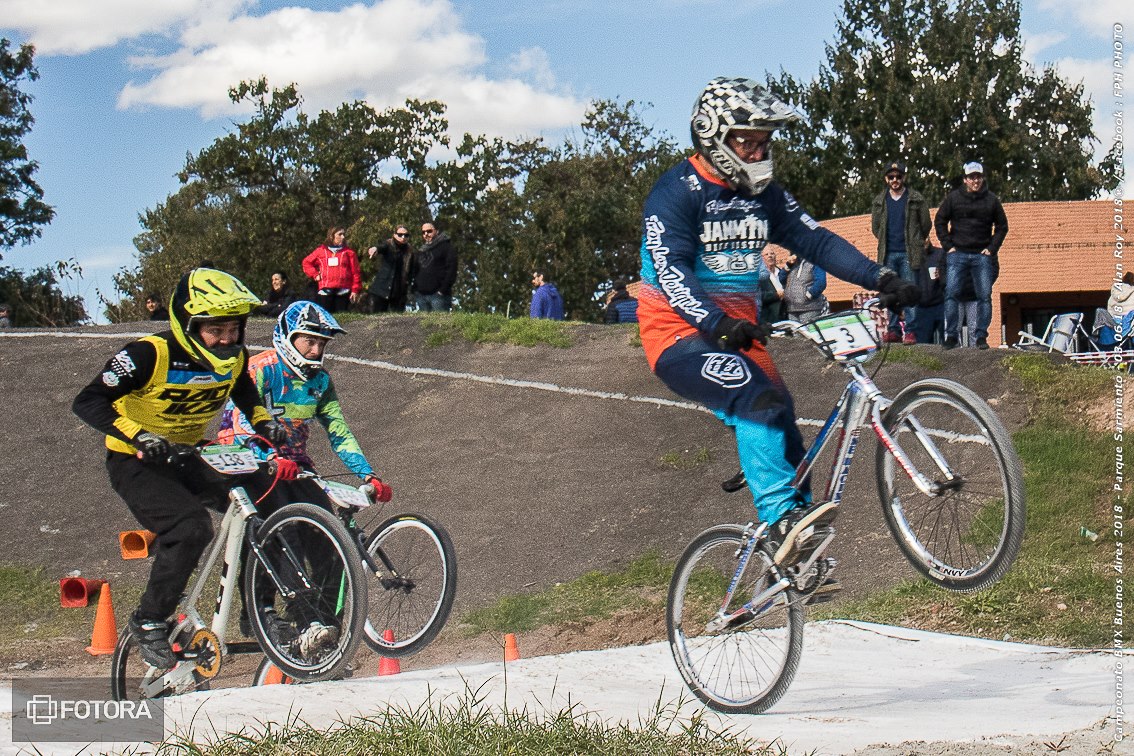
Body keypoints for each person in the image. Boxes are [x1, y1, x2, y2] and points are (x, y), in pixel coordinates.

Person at [637, 76, 918, 572]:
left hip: (737, 333)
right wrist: (715, 321)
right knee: (757, 400)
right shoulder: (675, 193)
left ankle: (797, 555)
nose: (758, 152)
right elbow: (671, 270)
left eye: (764, 142)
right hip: (679, 334)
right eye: (748, 141)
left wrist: (882, 277)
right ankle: (780, 518)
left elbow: (817, 242)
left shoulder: (764, 195)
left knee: (784, 420)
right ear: (713, 137)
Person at [71, 268, 287, 669]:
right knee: (191, 527)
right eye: (215, 330)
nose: (227, 339)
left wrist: (264, 422)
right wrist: (139, 436)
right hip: (136, 460)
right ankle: (149, 618)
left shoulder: (234, 357)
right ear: (188, 325)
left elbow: (244, 391)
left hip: (188, 453)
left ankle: (259, 611)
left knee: (268, 505)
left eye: (234, 329)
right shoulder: (148, 354)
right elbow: (87, 401)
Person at [218, 301, 394, 646]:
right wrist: (268, 456)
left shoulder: (321, 381)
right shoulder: (259, 368)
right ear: (287, 338)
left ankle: (324, 632)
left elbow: (338, 431)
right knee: (284, 530)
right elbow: (239, 423)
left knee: (329, 534)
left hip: (294, 462)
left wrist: (367, 474)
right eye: (309, 341)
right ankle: (265, 611)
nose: (316, 350)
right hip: (246, 458)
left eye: (322, 343)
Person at [935, 161, 1009, 350]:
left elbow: (1002, 226)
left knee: (984, 296)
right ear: (965, 179)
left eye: (978, 177)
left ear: (982, 178)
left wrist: (991, 248)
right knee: (951, 294)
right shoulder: (954, 198)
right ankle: (952, 336)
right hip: (957, 253)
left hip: (981, 255)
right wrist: (948, 246)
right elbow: (940, 220)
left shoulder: (991, 200)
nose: (975, 180)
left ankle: (981, 336)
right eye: (971, 177)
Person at [870, 161, 932, 344]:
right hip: (888, 253)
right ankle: (894, 330)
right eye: (891, 177)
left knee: (909, 291)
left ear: (904, 177)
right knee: (890, 292)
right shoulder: (879, 201)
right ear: (886, 179)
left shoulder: (916, 198)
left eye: (898, 176)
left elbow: (926, 224)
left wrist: (916, 240)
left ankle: (910, 331)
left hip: (908, 253)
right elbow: (876, 228)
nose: (895, 180)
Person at [302, 227, 363, 314]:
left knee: (342, 318)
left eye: (343, 234)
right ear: (332, 236)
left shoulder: (349, 253)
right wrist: (315, 274)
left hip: (343, 291)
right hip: (325, 291)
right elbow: (306, 263)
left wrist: (355, 290)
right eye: (340, 234)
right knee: (325, 317)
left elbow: (356, 272)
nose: (343, 237)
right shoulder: (321, 251)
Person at [408, 223, 457, 312]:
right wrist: (414, 289)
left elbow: (452, 270)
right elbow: (415, 270)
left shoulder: (446, 247)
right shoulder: (421, 250)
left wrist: (442, 290)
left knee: (440, 321)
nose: (426, 234)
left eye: (429, 231)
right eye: (423, 232)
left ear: (436, 231)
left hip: (438, 296)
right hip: (421, 295)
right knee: (424, 321)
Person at [366, 227, 412, 312]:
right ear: (394, 235)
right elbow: (381, 247)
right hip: (381, 290)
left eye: (406, 235)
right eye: (400, 235)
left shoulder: (409, 251)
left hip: (398, 292)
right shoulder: (388, 245)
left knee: (397, 319)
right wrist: (375, 249)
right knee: (376, 317)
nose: (403, 237)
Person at [780, 253, 829, 325]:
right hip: (792, 309)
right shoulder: (793, 263)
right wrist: (788, 265)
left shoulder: (815, 262)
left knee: (808, 331)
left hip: (809, 308)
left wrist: (809, 295)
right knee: (796, 332)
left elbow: (821, 282)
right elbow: (781, 279)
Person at [912, 245, 946, 345]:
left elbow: (952, 276)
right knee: (923, 345)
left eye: (925, 237)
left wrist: (942, 276)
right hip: (921, 307)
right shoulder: (911, 257)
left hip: (941, 304)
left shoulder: (940, 253)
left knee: (950, 343)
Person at [758, 249, 784, 324]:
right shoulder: (759, 277)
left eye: (772, 253)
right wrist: (776, 295)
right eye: (766, 254)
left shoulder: (782, 273)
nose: (770, 256)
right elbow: (758, 296)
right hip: (770, 317)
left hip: (786, 313)